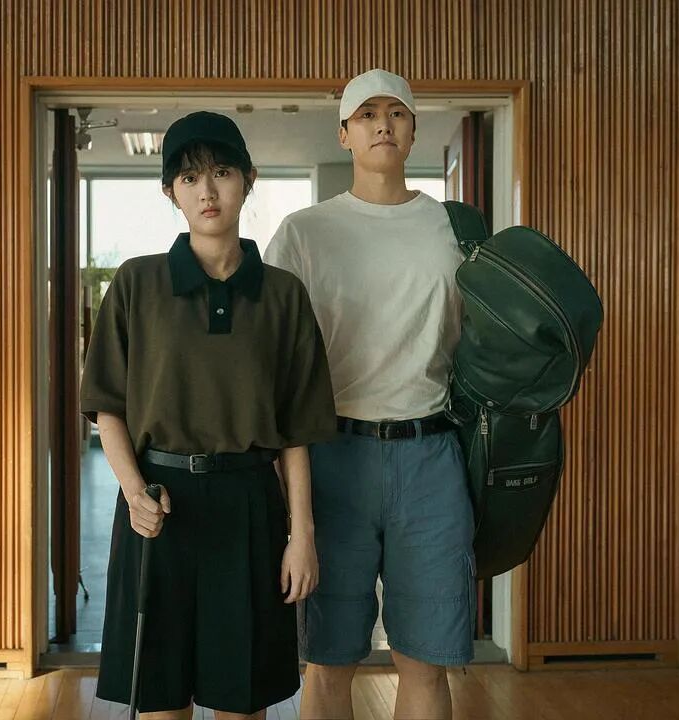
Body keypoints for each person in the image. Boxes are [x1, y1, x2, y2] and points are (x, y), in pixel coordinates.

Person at [80, 111, 337, 720]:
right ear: (171, 192)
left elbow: (297, 432)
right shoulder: (137, 283)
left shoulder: (283, 294)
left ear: (248, 180)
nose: (207, 191)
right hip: (158, 507)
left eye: (221, 172)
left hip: (250, 508)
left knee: (241, 702)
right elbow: (108, 406)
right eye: (190, 178)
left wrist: (302, 536)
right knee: (161, 703)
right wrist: (134, 492)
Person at [264, 69, 475, 720]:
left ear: (413, 130)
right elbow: (270, 357)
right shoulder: (303, 233)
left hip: (431, 453)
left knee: (427, 661)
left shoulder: (456, 229)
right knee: (329, 661)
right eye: (367, 114)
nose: (383, 124)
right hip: (335, 455)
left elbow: (483, 343)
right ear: (344, 134)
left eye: (397, 113)